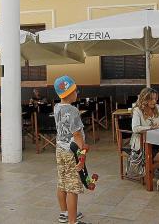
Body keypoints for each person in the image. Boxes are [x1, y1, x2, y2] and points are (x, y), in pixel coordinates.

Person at [53, 75, 87, 224]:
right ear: (69, 92)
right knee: (73, 187)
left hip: (60, 149)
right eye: (76, 90)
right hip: (72, 151)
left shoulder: (57, 107)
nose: (77, 93)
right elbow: (77, 133)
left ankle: (64, 213)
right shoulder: (73, 110)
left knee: (62, 182)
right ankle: (73, 221)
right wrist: (83, 148)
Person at [131, 88, 159, 194]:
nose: (155, 101)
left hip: (156, 141)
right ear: (145, 99)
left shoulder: (157, 107)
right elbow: (135, 128)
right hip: (142, 143)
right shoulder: (137, 110)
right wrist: (152, 128)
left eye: (156, 99)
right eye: (152, 99)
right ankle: (152, 174)